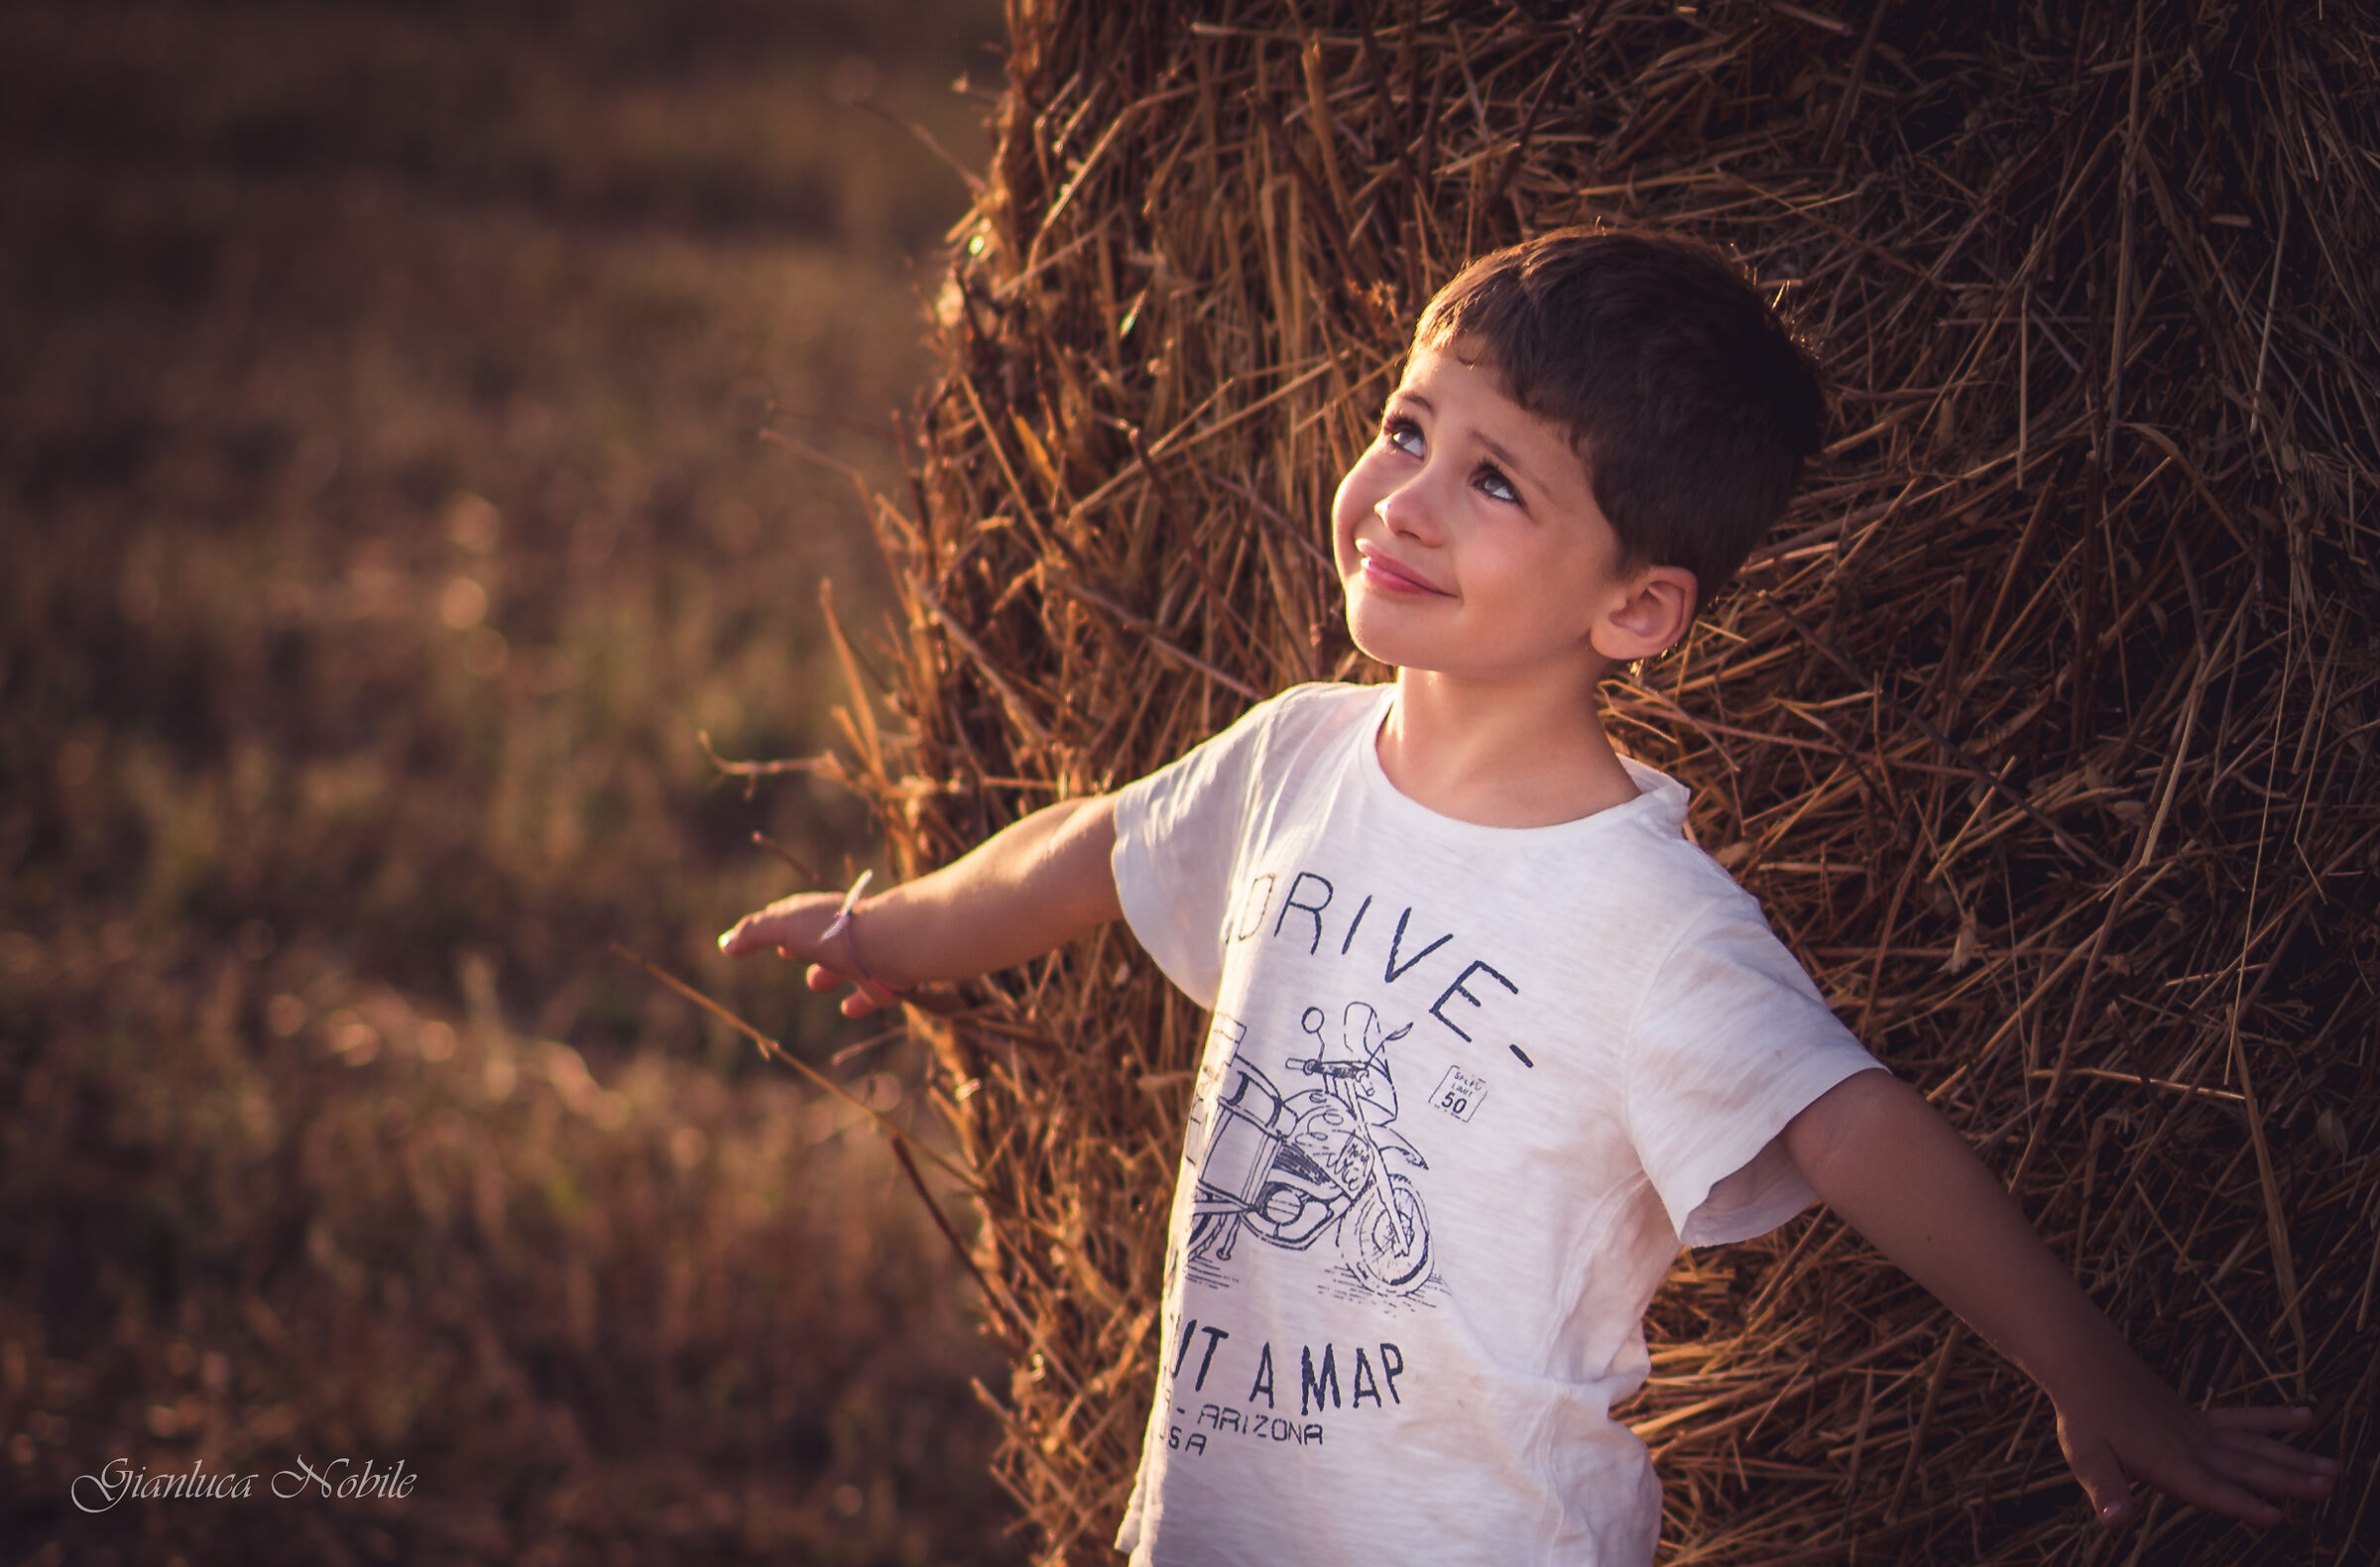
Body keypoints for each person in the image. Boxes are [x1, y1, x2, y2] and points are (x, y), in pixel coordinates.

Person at [720, 228, 2336, 1563]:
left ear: (1636, 608)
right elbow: (1094, 847)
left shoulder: (1646, 919)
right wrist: (896, 931)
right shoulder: (1297, 757)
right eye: (1410, 428)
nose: (1407, 498)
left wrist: (2094, 1377)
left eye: (1498, 484)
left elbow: (1851, 1125)